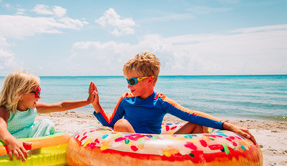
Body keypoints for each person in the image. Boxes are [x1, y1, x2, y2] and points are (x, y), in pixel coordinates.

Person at [91, 52, 256, 143]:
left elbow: (190, 114)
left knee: (196, 123)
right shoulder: (126, 99)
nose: (128, 85)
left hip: (156, 144)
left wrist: (229, 126)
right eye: (127, 80)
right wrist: (97, 107)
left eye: (132, 81)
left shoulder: (161, 102)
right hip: (133, 146)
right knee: (121, 123)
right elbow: (111, 125)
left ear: (149, 80)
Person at [0, 71, 95, 162]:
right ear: (20, 94)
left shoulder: (34, 108)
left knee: (46, 123)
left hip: (27, 139)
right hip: (7, 141)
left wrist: (87, 101)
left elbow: (61, 106)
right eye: (36, 92)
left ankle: (32, 159)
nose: (39, 96)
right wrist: (10, 140)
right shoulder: (5, 110)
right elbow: (0, 128)